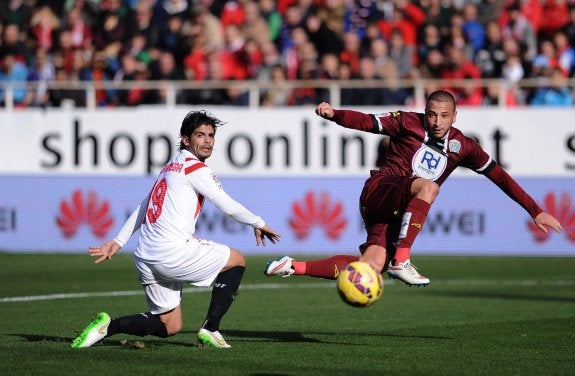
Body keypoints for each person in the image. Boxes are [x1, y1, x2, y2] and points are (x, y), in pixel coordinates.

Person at [265, 90, 562, 287]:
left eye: (444, 116)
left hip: (395, 214)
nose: (436, 121)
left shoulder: (465, 147)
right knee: (429, 188)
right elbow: (367, 121)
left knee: (370, 269)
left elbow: (500, 177)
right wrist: (335, 114)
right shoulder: (407, 122)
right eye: (432, 114)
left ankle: (293, 266)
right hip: (380, 189)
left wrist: (535, 211)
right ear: (425, 111)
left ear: (455, 116)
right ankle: (403, 260)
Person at [71, 110, 280, 349]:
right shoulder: (194, 168)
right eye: (200, 135)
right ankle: (211, 328)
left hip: (145, 257)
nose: (208, 140)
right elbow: (225, 204)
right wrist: (258, 222)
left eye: (211, 135)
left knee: (170, 325)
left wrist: (119, 241)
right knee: (237, 260)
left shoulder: (171, 167)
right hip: (171, 252)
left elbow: (144, 205)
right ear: (185, 139)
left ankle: (107, 327)